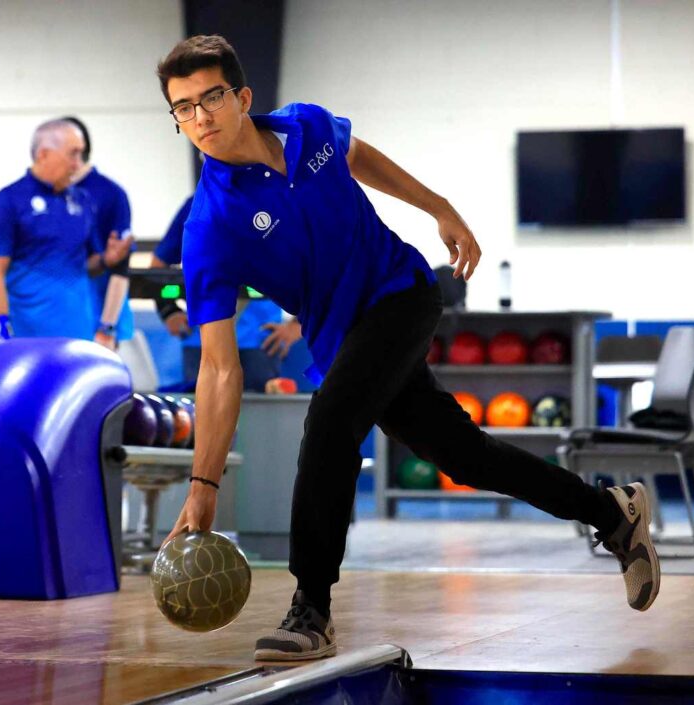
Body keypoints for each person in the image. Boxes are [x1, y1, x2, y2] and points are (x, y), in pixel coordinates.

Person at [156, 35, 660, 661]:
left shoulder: (307, 125)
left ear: (242, 97)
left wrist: (438, 207)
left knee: (331, 422)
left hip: (402, 292)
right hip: (341, 336)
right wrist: (203, 483)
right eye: (183, 108)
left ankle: (311, 608)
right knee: (465, 457)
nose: (200, 117)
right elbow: (218, 366)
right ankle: (611, 513)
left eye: (211, 98)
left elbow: (359, 156)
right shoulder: (209, 227)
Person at [0, 119, 132, 346]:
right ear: (43, 154)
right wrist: (0, 331)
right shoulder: (8, 201)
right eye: (73, 154)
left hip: (78, 339)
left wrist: (106, 260)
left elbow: (86, 265)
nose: (78, 164)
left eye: (81, 154)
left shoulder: (82, 201)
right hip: (27, 339)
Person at [151, 194, 303, 390]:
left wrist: (298, 325)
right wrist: (168, 311)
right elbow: (157, 267)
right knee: (202, 406)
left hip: (258, 341)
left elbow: (309, 262)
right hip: (203, 340)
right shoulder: (198, 203)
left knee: (259, 407)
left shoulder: (275, 198)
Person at [61, 116, 137, 345]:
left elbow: (120, 268)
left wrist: (107, 326)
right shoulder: (47, 194)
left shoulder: (110, 194)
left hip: (97, 320)